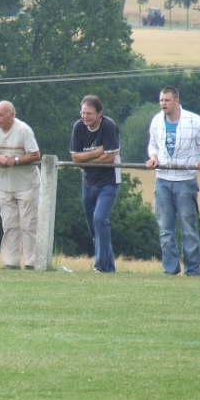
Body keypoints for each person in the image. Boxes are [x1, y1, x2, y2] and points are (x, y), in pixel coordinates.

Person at [146, 85, 200, 276]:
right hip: (162, 179)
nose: (163, 104)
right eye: (161, 100)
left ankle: (193, 270)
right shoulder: (156, 121)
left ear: (176, 101)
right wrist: (153, 157)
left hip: (186, 180)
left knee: (188, 228)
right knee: (165, 229)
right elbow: (152, 144)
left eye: (167, 100)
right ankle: (170, 269)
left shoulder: (195, 121)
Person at [0, 101, 40, 270]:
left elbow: (35, 154)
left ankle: (31, 262)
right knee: (9, 224)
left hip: (28, 185)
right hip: (4, 185)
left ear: (11, 115)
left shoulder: (23, 130)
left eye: (0, 115)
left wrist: (15, 161)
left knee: (29, 224)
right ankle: (11, 262)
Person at [69, 95, 121, 273]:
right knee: (93, 226)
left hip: (109, 182)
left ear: (99, 114)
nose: (85, 117)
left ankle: (100, 266)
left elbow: (110, 157)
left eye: (89, 113)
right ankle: (109, 267)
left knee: (100, 219)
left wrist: (88, 158)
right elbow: (75, 157)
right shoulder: (78, 127)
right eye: (83, 113)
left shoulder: (108, 126)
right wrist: (97, 152)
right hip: (88, 181)